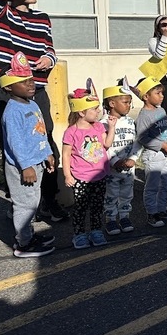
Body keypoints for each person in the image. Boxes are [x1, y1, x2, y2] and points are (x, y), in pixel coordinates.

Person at [0, 0, 68, 221]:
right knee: (13, 146)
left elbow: (49, 47)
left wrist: (49, 58)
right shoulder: (2, 12)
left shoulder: (43, 18)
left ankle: (49, 199)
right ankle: (23, 207)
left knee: (45, 142)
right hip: (9, 91)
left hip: (38, 90)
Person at [0, 52, 55, 258]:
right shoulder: (13, 111)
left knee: (33, 201)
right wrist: (25, 166)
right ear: (8, 87)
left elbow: (40, 133)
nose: (30, 85)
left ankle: (28, 235)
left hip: (36, 163)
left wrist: (48, 153)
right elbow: (16, 143)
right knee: (25, 204)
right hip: (23, 167)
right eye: (23, 82)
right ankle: (24, 244)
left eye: (31, 80)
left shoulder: (32, 104)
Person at [62, 80, 116, 250]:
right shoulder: (72, 131)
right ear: (81, 112)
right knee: (80, 208)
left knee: (97, 206)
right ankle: (79, 234)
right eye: (94, 109)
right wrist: (67, 175)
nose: (98, 111)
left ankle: (96, 231)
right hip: (80, 177)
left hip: (99, 174)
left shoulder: (99, 126)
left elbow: (106, 144)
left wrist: (112, 127)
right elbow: (66, 154)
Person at [133, 75, 167, 227]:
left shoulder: (162, 110)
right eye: (157, 93)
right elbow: (142, 137)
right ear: (146, 96)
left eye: (162, 93)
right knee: (152, 185)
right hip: (153, 155)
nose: (162, 96)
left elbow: (165, 130)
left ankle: (162, 208)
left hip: (166, 154)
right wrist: (162, 145)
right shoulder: (144, 116)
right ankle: (152, 213)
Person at [101, 78, 141, 235]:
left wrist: (133, 158)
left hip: (128, 169)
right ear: (112, 103)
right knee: (110, 195)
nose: (129, 106)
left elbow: (137, 142)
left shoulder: (131, 122)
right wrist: (115, 161)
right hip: (112, 170)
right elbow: (103, 146)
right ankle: (110, 219)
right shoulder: (104, 123)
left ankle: (124, 216)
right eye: (125, 102)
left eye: (130, 102)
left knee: (126, 194)